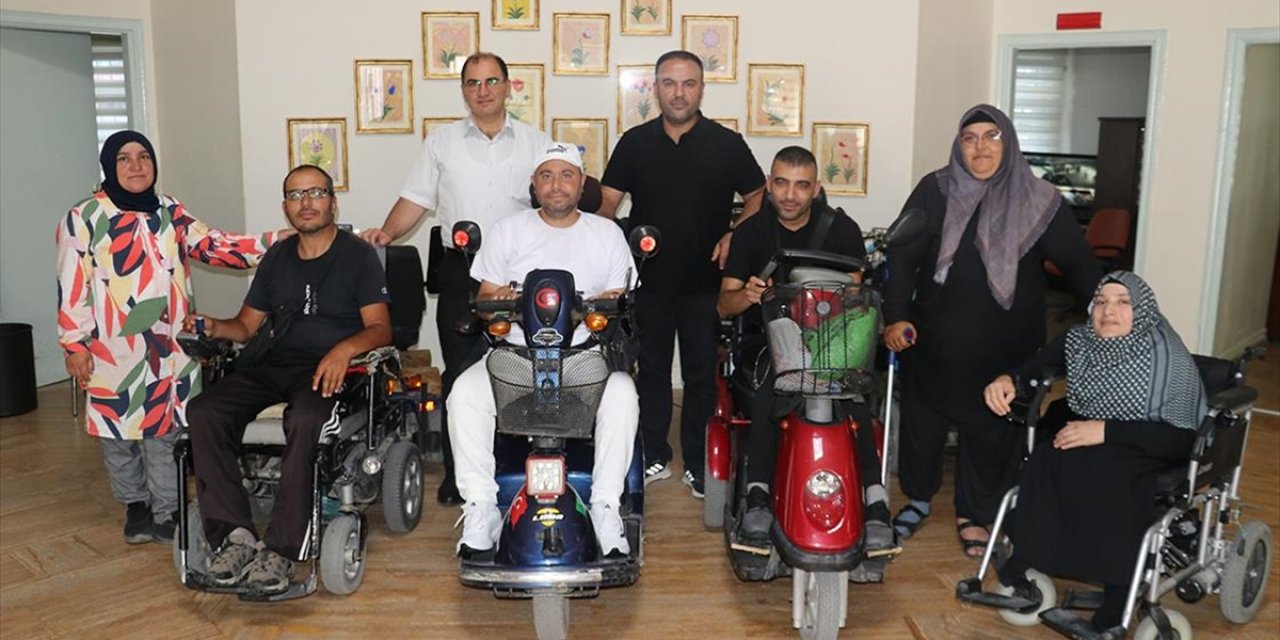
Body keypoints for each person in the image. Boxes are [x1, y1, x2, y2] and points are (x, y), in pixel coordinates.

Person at [882, 104, 1100, 557]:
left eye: (991, 136)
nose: (980, 147)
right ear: (959, 146)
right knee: (922, 426)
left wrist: (1109, 310)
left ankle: (975, 516)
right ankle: (918, 499)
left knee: (990, 434)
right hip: (932, 341)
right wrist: (897, 315)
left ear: (1009, 142)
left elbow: (1079, 264)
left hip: (1005, 348)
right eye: (970, 138)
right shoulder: (934, 189)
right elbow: (902, 256)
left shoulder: (1040, 200)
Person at [56, 130, 281, 545]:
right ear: (109, 166)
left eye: (144, 156)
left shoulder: (169, 210)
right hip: (112, 350)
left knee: (166, 431)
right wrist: (74, 344)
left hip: (170, 347)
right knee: (118, 435)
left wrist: (273, 243)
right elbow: (71, 285)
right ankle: (135, 505)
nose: (136, 166)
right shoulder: (85, 216)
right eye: (124, 158)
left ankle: (167, 509)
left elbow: (214, 245)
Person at [183, 165, 392, 595]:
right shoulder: (277, 257)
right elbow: (245, 326)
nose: (306, 202)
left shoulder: (358, 256)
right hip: (274, 364)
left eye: (315, 192)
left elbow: (380, 329)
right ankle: (235, 537)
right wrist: (213, 326)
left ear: (332, 202)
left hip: (333, 369)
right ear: (285, 207)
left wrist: (343, 349)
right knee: (204, 410)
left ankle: (282, 547)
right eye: (296, 195)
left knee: (307, 419)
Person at [362, 51, 552, 506]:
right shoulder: (441, 142)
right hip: (460, 270)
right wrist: (386, 234)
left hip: (520, 272)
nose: (482, 91)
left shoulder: (536, 142)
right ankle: (458, 476)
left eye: (491, 81)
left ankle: (516, 468)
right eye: (473, 83)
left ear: (508, 86)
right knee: (461, 373)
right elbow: (415, 198)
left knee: (523, 368)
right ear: (464, 90)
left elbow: (556, 200)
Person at [984, 271, 1204, 632]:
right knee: (1047, 456)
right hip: (1095, 434)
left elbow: (1180, 438)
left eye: (1123, 302)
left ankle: (1118, 597)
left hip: (1152, 442)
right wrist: (1009, 379)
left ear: (1142, 310)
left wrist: (1106, 431)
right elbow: (1037, 365)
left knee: (1109, 475)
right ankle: (1029, 557)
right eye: (1101, 302)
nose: (1108, 311)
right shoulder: (1081, 340)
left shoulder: (1168, 360)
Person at [450, 143, 639, 557]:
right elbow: (484, 297)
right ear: (534, 185)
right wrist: (501, 298)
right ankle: (481, 506)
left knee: (623, 394)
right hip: (515, 357)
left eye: (567, 175)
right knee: (464, 393)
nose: (557, 185)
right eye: (547, 176)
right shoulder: (507, 230)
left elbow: (621, 296)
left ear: (582, 184)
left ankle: (606, 506)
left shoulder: (607, 233)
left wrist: (604, 303)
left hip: (583, 358)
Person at [599, 50, 765, 497]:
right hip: (648, 282)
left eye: (688, 83)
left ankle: (698, 462)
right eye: (669, 83)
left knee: (700, 376)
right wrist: (602, 248)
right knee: (651, 372)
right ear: (655, 88)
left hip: (706, 284)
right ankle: (654, 453)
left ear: (701, 90)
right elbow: (607, 204)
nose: (678, 93)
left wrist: (736, 234)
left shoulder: (726, 144)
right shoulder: (634, 143)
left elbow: (758, 196)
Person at [717, 146, 896, 552]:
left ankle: (875, 501)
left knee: (853, 393)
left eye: (801, 186)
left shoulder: (842, 230)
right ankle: (758, 495)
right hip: (768, 344)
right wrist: (747, 295)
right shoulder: (750, 233)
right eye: (782, 184)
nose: (790, 195)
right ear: (769, 184)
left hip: (831, 342)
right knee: (776, 382)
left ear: (816, 189)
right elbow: (724, 305)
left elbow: (857, 297)